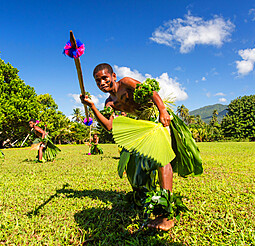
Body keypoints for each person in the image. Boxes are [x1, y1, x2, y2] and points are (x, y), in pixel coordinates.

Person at [80, 63, 202, 231]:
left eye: (104, 78)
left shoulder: (126, 83)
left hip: (156, 117)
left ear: (113, 76)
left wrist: (162, 110)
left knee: (161, 158)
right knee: (136, 168)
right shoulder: (109, 103)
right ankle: (148, 200)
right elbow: (109, 126)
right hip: (142, 126)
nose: (102, 82)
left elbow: (151, 92)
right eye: (97, 81)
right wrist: (92, 106)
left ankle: (167, 215)